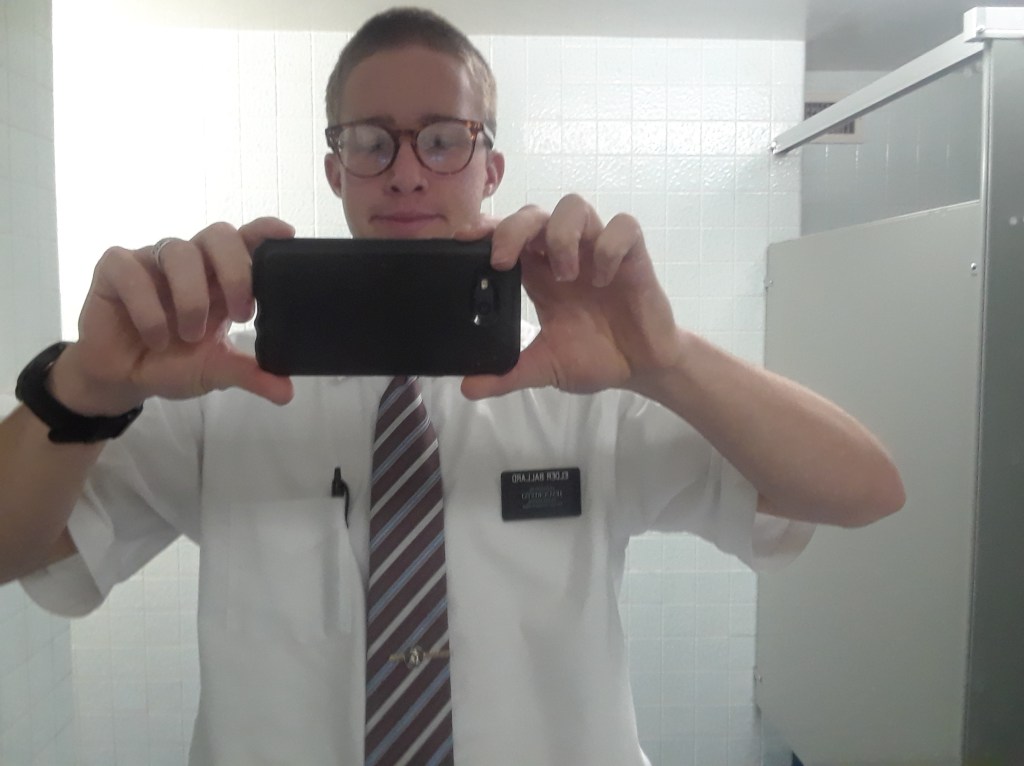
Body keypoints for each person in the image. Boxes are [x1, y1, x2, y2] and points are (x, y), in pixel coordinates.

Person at [0, 7, 904, 765]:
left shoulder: (594, 382)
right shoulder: (223, 386)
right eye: (369, 142)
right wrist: (82, 388)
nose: (405, 171)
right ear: (334, 170)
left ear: (490, 166)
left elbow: (865, 491)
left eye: (443, 139)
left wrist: (668, 360)